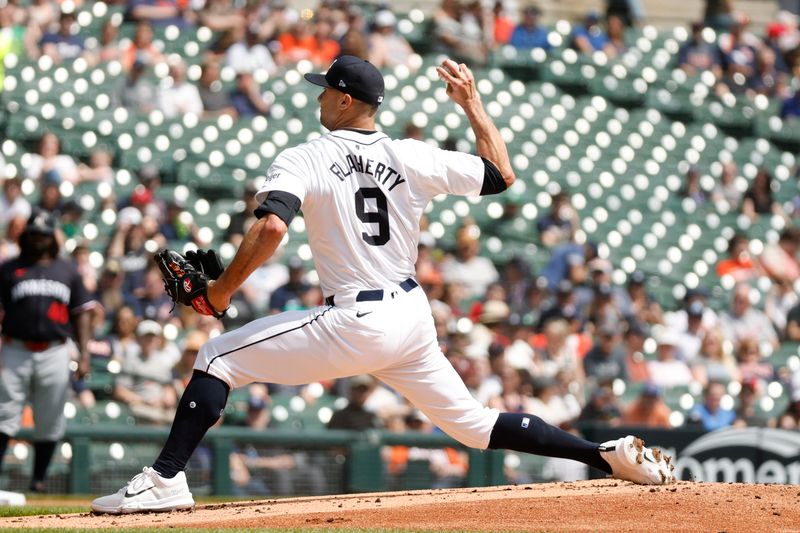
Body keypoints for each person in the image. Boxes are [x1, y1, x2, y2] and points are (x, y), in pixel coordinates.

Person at [91, 55, 674, 514]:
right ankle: (604, 455)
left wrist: (218, 296)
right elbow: (500, 175)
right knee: (473, 426)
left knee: (218, 354)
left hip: (358, 319)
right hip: (411, 316)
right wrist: (472, 105)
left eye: (325, 89)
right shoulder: (408, 154)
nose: (320, 96)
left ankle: (165, 478)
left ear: (345, 99)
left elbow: (271, 225)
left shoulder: (309, 155)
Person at [0, 209, 94, 492]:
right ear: (25, 236)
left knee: (50, 418)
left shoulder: (67, 270)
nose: (39, 239)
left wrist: (85, 353)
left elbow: (82, 313)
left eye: (43, 234)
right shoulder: (9, 268)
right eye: (34, 233)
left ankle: (38, 480)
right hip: (15, 348)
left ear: (52, 236)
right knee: (3, 414)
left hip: (55, 350)